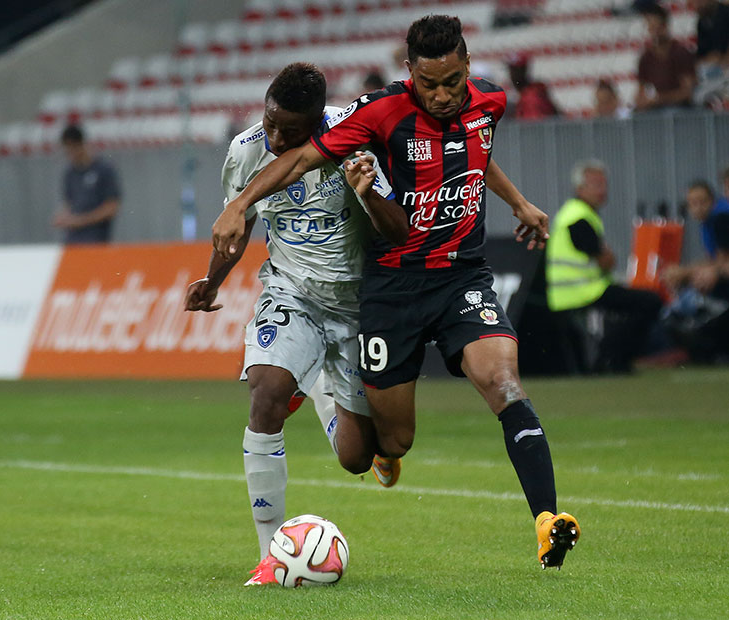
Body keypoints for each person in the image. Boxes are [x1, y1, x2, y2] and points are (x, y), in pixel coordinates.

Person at [212, 15, 580, 570]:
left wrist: (519, 202)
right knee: (381, 447)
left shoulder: (490, 102)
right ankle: (338, 405)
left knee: (503, 383)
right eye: (429, 83)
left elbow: (475, 154)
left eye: (452, 81)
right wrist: (240, 204)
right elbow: (303, 158)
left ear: (468, 66)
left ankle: (547, 520)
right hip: (391, 288)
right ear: (410, 72)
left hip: (461, 276)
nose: (442, 95)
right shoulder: (378, 112)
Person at [185, 62, 406, 586]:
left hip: (357, 305)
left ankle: (325, 388)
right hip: (291, 292)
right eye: (271, 123)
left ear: (317, 122)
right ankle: (270, 556)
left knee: (355, 458)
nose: (277, 138)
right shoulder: (246, 151)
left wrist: (368, 191)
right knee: (266, 394)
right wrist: (212, 282)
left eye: (291, 130)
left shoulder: (354, 140)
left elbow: (395, 230)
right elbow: (237, 226)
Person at [545, 160, 663, 372]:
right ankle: (611, 356)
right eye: (596, 184)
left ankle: (611, 357)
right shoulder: (578, 216)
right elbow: (605, 260)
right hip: (582, 291)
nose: (602, 190)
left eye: (604, 184)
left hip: (572, 292)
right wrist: (607, 255)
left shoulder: (573, 213)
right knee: (650, 302)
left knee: (635, 303)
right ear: (579, 188)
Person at [662, 180, 729, 362]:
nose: (698, 207)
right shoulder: (710, 223)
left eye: (702, 201)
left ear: (712, 201)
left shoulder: (721, 218)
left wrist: (686, 273)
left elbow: (722, 263)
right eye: (693, 203)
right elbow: (715, 260)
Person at [52, 125, 121, 244]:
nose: (70, 154)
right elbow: (69, 203)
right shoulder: (70, 173)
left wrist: (79, 221)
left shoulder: (103, 170)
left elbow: (111, 207)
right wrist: (63, 218)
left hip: (96, 241)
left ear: (81, 144)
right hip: (72, 241)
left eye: (72, 148)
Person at [635, 3, 696, 111]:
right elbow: (640, 91)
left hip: (680, 108)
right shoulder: (646, 58)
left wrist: (659, 99)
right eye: (651, 28)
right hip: (657, 108)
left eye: (657, 27)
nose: (655, 33)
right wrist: (642, 102)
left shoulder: (680, 53)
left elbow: (687, 93)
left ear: (665, 26)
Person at [506, 53, 560, 120]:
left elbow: (535, 125)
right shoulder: (529, 93)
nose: (512, 75)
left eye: (514, 71)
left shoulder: (531, 97)